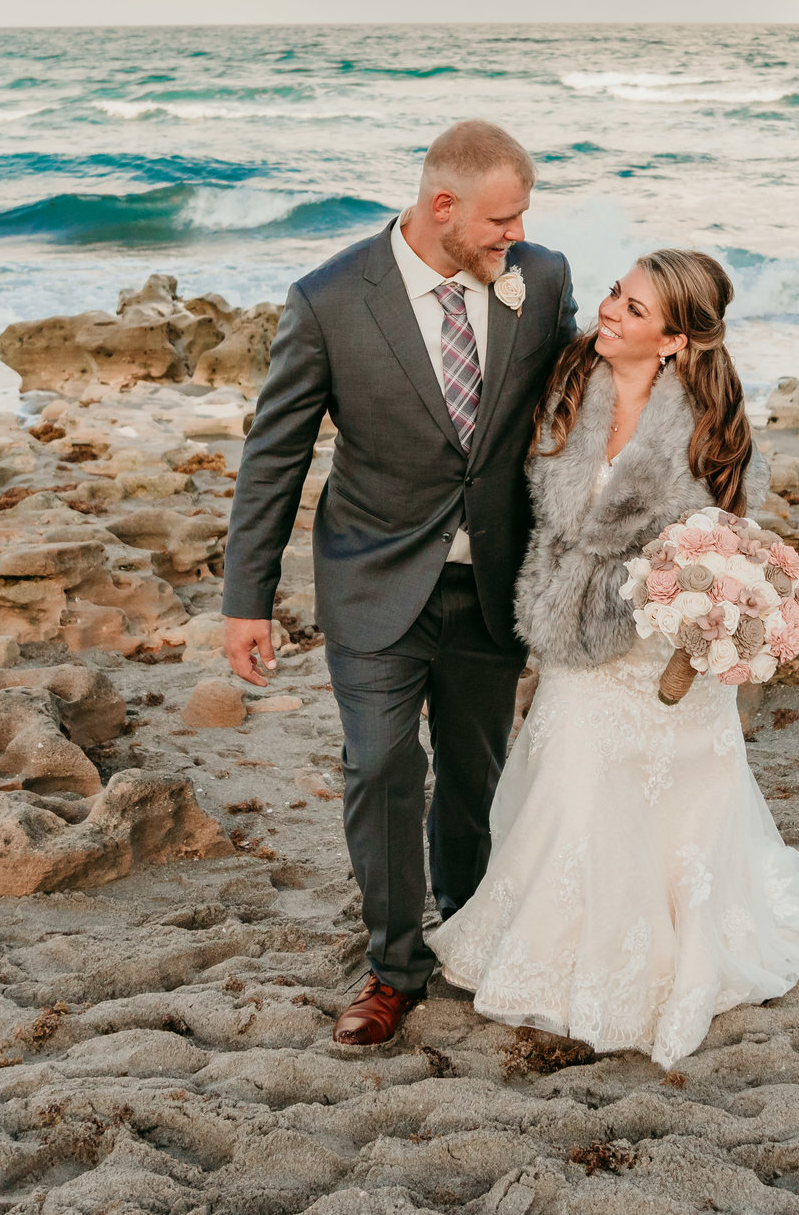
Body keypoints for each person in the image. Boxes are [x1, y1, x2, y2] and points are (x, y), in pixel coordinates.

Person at [427, 248, 799, 1068]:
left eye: (633, 311)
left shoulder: (711, 430)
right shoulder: (568, 385)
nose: (610, 313)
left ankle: (646, 961)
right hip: (572, 632)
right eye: (613, 294)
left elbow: (731, 541)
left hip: (659, 654)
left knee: (663, 813)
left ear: (672, 341)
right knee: (564, 784)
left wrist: (703, 605)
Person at [222, 120, 578, 1047]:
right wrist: (245, 601)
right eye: (502, 219)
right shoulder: (330, 299)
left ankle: (467, 927)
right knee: (380, 766)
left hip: (493, 580)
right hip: (375, 577)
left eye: (524, 218)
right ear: (443, 206)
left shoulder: (540, 279)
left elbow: (577, 403)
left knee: (474, 775)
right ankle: (392, 967)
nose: (517, 234)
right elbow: (275, 458)